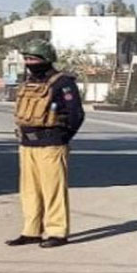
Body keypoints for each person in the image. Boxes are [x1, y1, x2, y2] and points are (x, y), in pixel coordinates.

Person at [6, 39, 85, 248]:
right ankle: (31, 231)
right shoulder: (28, 82)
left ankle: (57, 232)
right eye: (27, 59)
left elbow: (76, 114)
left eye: (33, 59)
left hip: (51, 144)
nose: (29, 62)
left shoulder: (63, 83)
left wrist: (62, 137)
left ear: (46, 59)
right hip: (27, 145)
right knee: (29, 191)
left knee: (53, 190)